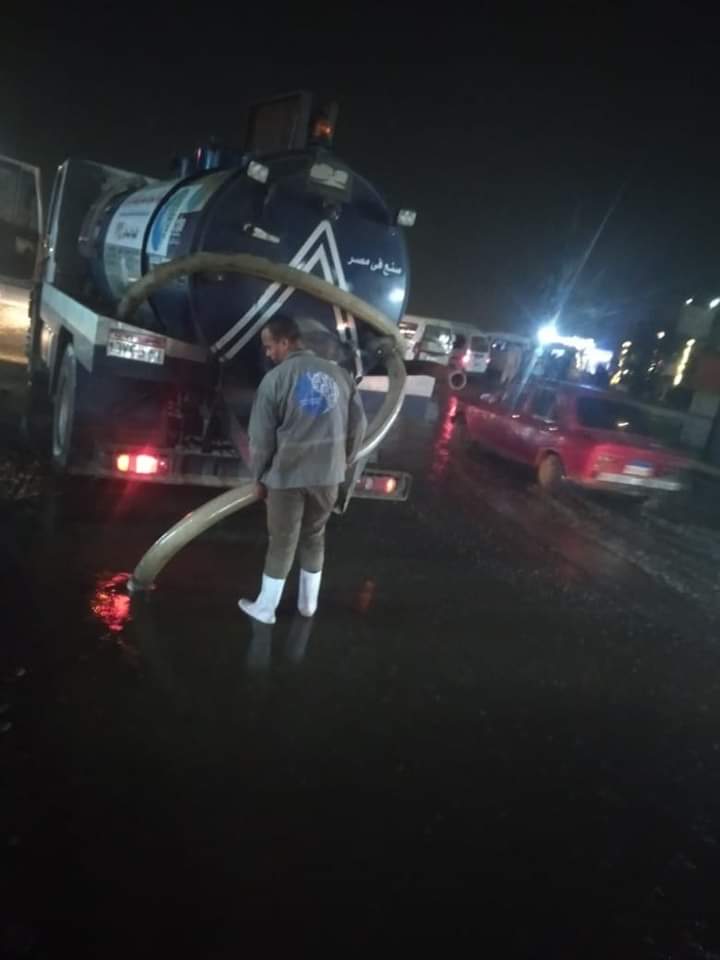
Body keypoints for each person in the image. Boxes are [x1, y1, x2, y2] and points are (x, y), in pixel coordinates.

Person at [239, 315, 367, 624]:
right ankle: (308, 605)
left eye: (269, 346)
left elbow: (261, 439)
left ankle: (265, 609)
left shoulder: (276, 379)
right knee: (314, 536)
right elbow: (359, 427)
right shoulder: (341, 376)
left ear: (285, 342)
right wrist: (343, 462)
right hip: (328, 477)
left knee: (282, 541)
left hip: (287, 476)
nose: (268, 353)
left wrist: (259, 477)